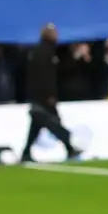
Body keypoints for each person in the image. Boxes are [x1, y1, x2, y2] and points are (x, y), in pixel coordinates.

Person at [19, 24, 82, 161]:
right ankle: (69, 145)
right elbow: (45, 76)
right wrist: (50, 94)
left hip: (37, 95)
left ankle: (26, 153)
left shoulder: (40, 51)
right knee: (53, 123)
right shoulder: (45, 52)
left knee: (37, 124)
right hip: (44, 96)